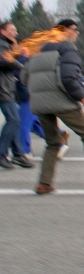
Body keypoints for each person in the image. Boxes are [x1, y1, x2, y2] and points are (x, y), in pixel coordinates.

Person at [22, 19, 84, 194]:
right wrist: (81, 96)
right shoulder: (67, 47)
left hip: (40, 103)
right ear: (63, 30)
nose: (77, 33)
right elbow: (68, 77)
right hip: (61, 100)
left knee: (52, 143)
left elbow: (24, 76)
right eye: (75, 29)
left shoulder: (37, 48)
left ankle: (44, 183)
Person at [0, 22, 32, 169]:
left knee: (16, 120)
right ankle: (2, 154)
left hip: (6, 87)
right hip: (2, 89)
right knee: (13, 119)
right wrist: (21, 63)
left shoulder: (6, 44)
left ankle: (18, 154)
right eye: (12, 30)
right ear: (3, 31)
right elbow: (4, 61)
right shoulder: (2, 44)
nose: (15, 33)